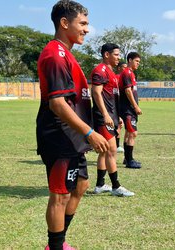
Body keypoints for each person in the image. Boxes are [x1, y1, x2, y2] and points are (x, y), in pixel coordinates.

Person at [36, 1, 109, 249]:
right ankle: (55, 246)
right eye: (83, 23)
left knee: (80, 186)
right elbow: (57, 103)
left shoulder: (67, 54)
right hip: (59, 136)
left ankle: (60, 241)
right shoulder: (54, 55)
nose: (87, 29)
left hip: (73, 137)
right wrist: (89, 132)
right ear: (64, 23)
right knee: (60, 195)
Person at [91, 43, 135, 197]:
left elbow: (112, 97)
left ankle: (100, 185)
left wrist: (118, 117)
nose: (118, 57)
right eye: (116, 54)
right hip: (104, 118)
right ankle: (116, 187)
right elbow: (96, 93)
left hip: (112, 117)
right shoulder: (100, 71)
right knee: (111, 151)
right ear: (106, 55)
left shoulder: (112, 74)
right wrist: (105, 114)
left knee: (104, 152)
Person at [119, 52, 142, 169]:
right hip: (128, 109)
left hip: (129, 109)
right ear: (130, 60)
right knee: (133, 133)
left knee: (129, 132)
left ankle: (127, 158)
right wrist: (135, 106)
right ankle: (129, 160)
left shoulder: (131, 73)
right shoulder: (127, 73)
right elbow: (128, 91)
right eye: (136, 61)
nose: (138, 64)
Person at [115, 62, 127, 153]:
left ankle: (116, 145)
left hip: (121, 104)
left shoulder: (125, 77)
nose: (125, 69)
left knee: (120, 125)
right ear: (119, 68)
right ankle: (116, 145)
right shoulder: (117, 77)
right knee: (118, 124)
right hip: (116, 104)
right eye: (124, 67)